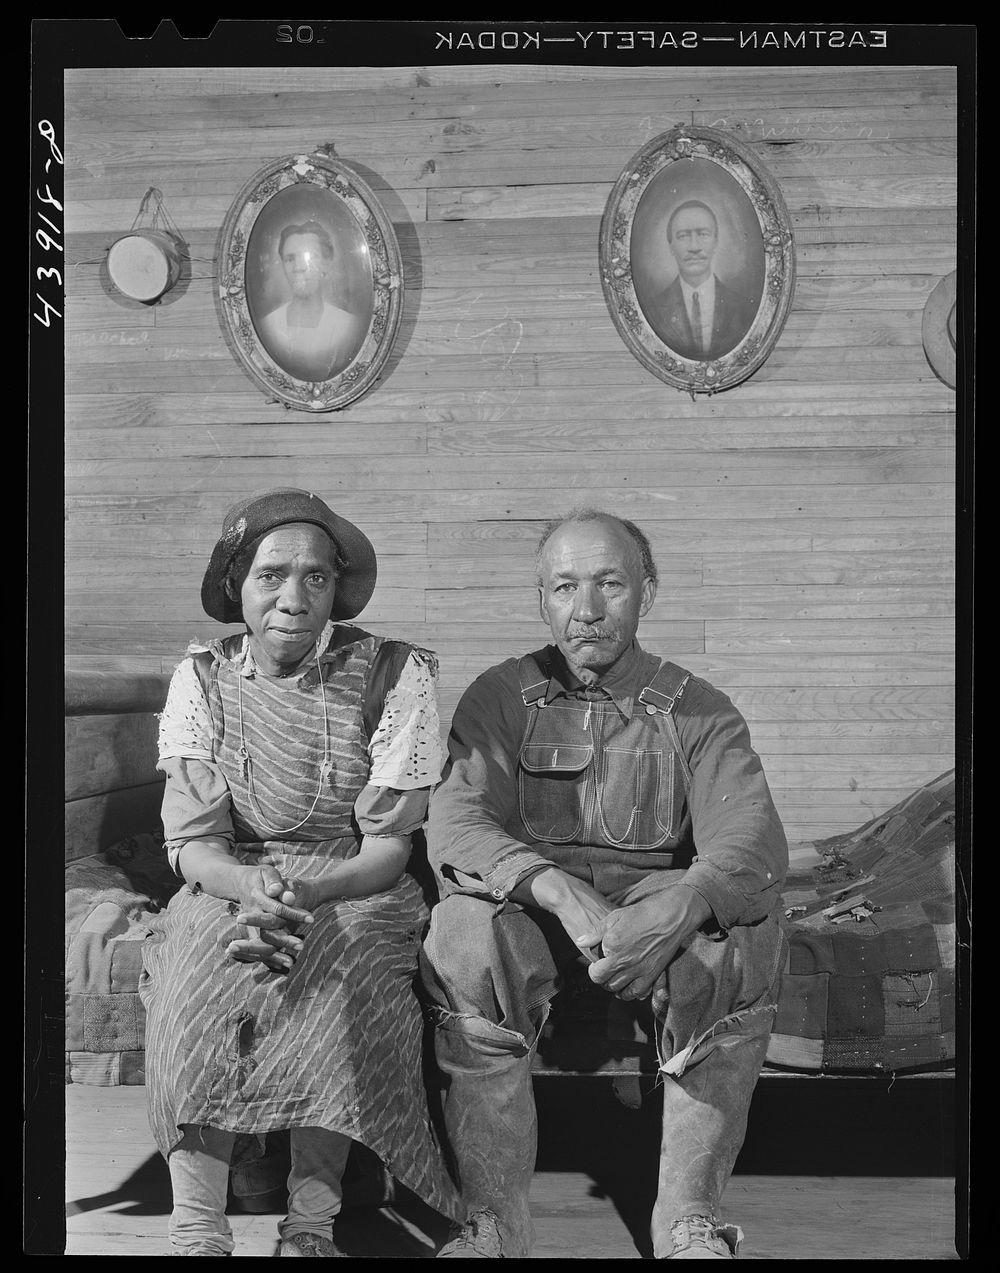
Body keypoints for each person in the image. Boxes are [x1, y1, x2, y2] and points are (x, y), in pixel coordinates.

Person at [420, 508, 788, 1259]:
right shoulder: (498, 698)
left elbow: (751, 841)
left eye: (609, 584)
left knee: (744, 937)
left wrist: (679, 908)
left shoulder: (700, 709)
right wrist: (554, 887)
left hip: (656, 920)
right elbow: (454, 824)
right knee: (459, 932)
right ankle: (493, 1223)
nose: (585, 610)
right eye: (564, 587)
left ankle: (686, 1219)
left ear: (646, 593)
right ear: (543, 599)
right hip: (537, 920)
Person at [139, 488, 460, 1256]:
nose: (294, 596)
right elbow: (190, 844)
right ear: (238, 586)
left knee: (333, 963)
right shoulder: (203, 678)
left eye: (316, 577)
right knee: (192, 965)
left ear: (336, 588)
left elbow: (390, 847)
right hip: (229, 874)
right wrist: (250, 887)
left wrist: (310, 892)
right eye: (272, 574)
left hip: (355, 880)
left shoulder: (392, 670)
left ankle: (309, 1227)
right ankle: (198, 1228)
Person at [643, 200, 757, 360]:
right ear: (670, 247)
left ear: (716, 242)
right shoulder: (652, 311)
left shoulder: (745, 309)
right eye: (683, 236)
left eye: (703, 234)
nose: (694, 247)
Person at [258, 222, 362, 379]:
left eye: (311, 257)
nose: (299, 267)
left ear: (326, 263)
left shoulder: (348, 326)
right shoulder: (268, 326)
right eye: (290, 259)